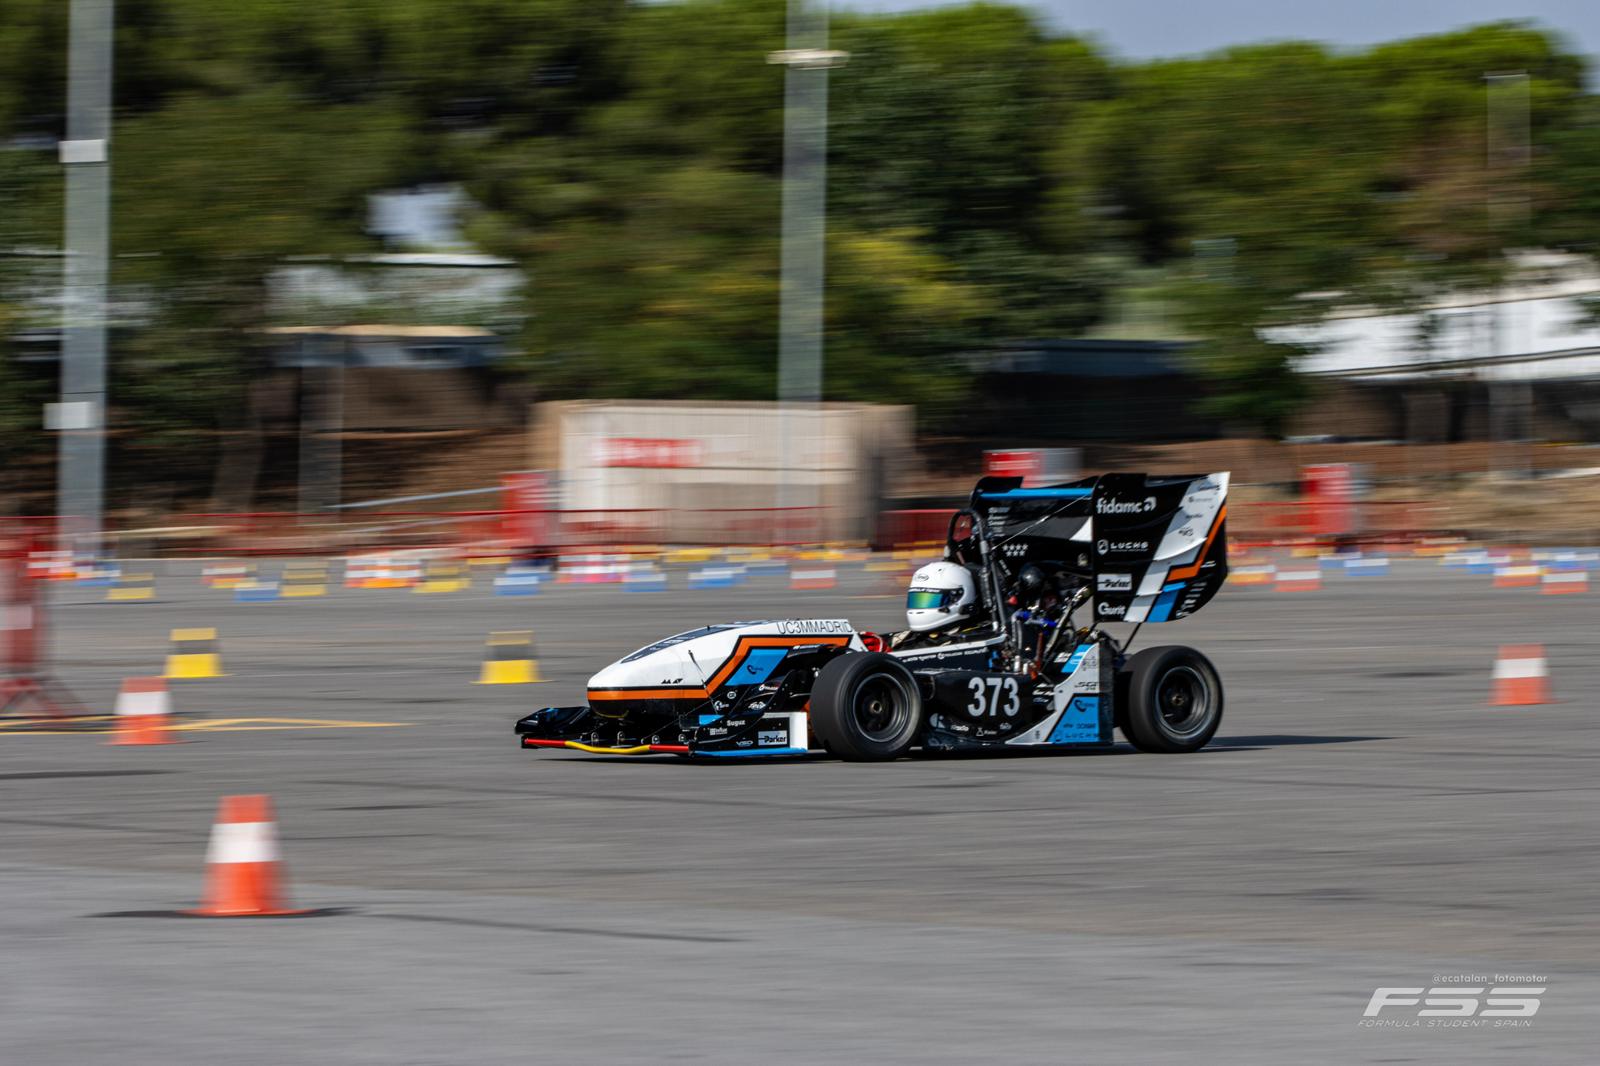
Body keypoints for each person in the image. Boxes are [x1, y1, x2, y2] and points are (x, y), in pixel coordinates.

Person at [862, 561, 991, 652]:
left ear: (957, 598)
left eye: (930, 600)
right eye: (917, 600)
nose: (920, 608)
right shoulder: (909, 637)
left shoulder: (971, 641)